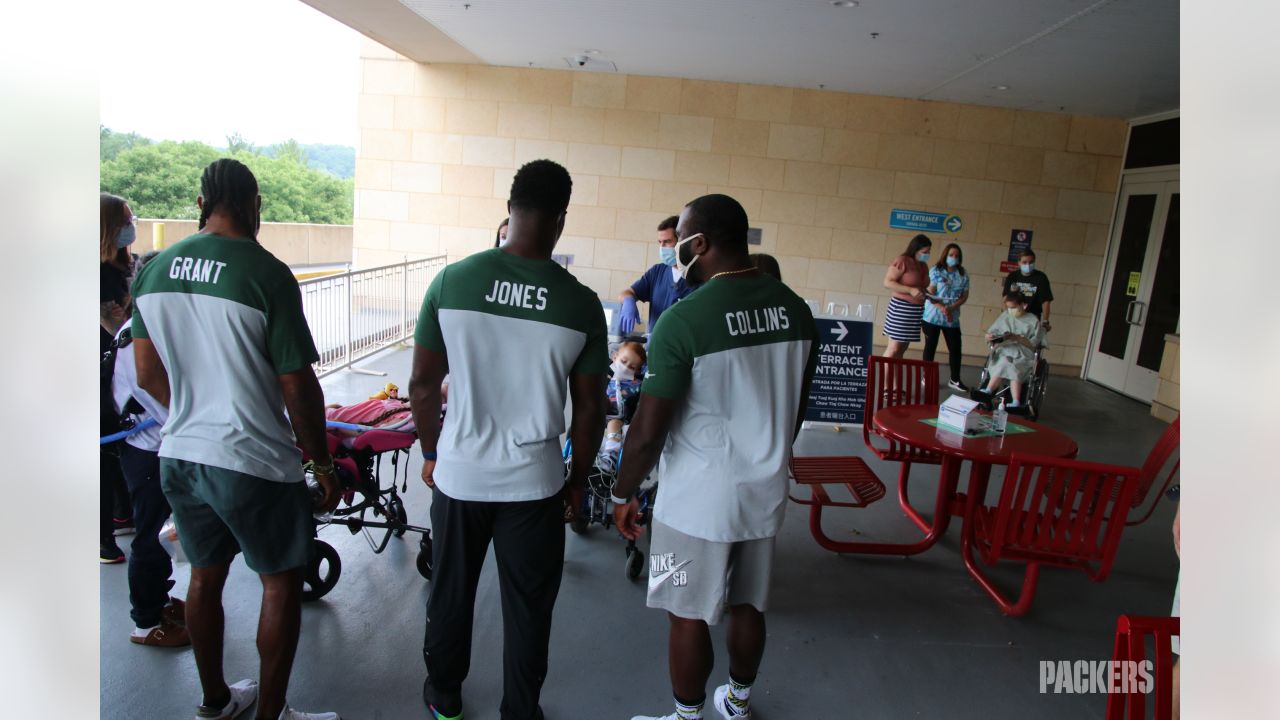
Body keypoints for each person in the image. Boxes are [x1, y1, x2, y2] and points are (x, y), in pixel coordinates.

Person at [131, 158, 343, 720]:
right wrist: (322, 464)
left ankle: (216, 702)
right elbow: (297, 384)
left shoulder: (153, 271)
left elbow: (147, 373)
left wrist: (195, 414)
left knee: (204, 575)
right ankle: (271, 715)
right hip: (253, 461)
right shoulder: (265, 272)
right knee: (279, 583)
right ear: (255, 208)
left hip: (181, 453)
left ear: (201, 204)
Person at [408, 159, 608, 720]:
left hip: (460, 475)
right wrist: (575, 481)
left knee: (450, 593)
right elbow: (590, 408)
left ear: (509, 210)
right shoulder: (581, 303)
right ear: (561, 219)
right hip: (536, 484)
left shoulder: (452, 281)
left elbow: (423, 384)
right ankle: (520, 710)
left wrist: (431, 451)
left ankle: (444, 698)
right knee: (529, 608)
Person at [612, 194, 818, 720]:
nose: (674, 253)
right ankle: (738, 703)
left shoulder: (684, 320)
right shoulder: (795, 309)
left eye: (679, 240)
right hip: (764, 489)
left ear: (699, 244)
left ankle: (686, 716)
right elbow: (795, 408)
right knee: (749, 603)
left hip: (697, 500)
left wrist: (622, 492)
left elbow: (646, 431)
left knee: (686, 614)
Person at [110, 250, 191, 647]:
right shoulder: (134, 338)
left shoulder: (151, 327)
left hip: (159, 444)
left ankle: (159, 599)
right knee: (148, 534)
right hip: (146, 449)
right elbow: (161, 399)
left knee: (159, 529)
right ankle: (145, 621)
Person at [101, 192, 138, 562]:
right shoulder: (96, 274)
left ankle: (122, 513)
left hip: (120, 371)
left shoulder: (122, 268)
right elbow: (114, 324)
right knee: (103, 456)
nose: (132, 226)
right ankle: (102, 537)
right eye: (125, 221)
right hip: (102, 372)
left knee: (121, 446)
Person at [618, 215, 693, 335]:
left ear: (682, 241)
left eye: (667, 242)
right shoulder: (657, 271)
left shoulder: (698, 274)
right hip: (654, 345)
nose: (662, 247)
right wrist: (628, 301)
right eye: (660, 242)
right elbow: (627, 292)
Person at [920, 242, 970, 391]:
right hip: (933, 316)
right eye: (951, 255)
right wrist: (942, 308)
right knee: (931, 346)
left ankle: (955, 379)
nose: (954, 257)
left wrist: (951, 308)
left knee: (955, 347)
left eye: (957, 255)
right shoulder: (936, 271)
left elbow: (964, 296)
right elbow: (930, 293)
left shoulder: (963, 274)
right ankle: (927, 376)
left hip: (951, 318)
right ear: (945, 255)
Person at [982, 291, 1045, 408]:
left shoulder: (1033, 320)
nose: (1010, 310)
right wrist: (989, 336)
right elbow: (992, 332)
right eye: (1009, 307)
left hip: (1023, 353)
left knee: (1011, 364)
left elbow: (1035, 344)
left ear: (1024, 305)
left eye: (1014, 307)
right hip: (1005, 349)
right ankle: (992, 393)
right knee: (1005, 360)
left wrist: (1018, 338)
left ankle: (991, 392)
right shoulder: (1005, 316)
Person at [881, 234, 932, 358]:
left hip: (916, 311)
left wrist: (933, 298)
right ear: (915, 249)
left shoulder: (923, 266)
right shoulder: (902, 261)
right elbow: (888, 282)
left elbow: (921, 287)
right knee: (893, 349)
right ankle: (885, 377)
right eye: (924, 251)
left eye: (929, 252)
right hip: (901, 308)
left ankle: (894, 378)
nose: (927, 254)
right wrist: (909, 290)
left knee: (901, 350)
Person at [1002, 249, 1054, 331]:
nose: (1028, 265)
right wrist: (1006, 316)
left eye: (1031, 262)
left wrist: (1045, 321)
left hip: (1032, 318)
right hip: (1014, 317)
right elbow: (1006, 298)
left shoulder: (1041, 277)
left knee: (1031, 341)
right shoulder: (1012, 276)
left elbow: (1046, 301)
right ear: (1019, 263)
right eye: (1024, 262)